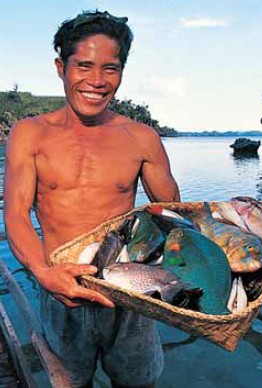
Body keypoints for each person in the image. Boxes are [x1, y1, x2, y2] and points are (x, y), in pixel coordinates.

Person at [4, 10, 180, 388]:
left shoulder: (142, 137)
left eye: (110, 69)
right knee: (70, 383)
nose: (97, 81)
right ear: (60, 67)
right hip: (60, 289)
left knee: (137, 383)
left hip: (130, 293)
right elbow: (16, 213)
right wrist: (43, 273)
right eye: (83, 65)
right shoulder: (29, 134)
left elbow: (171, 216)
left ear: (122, 72)